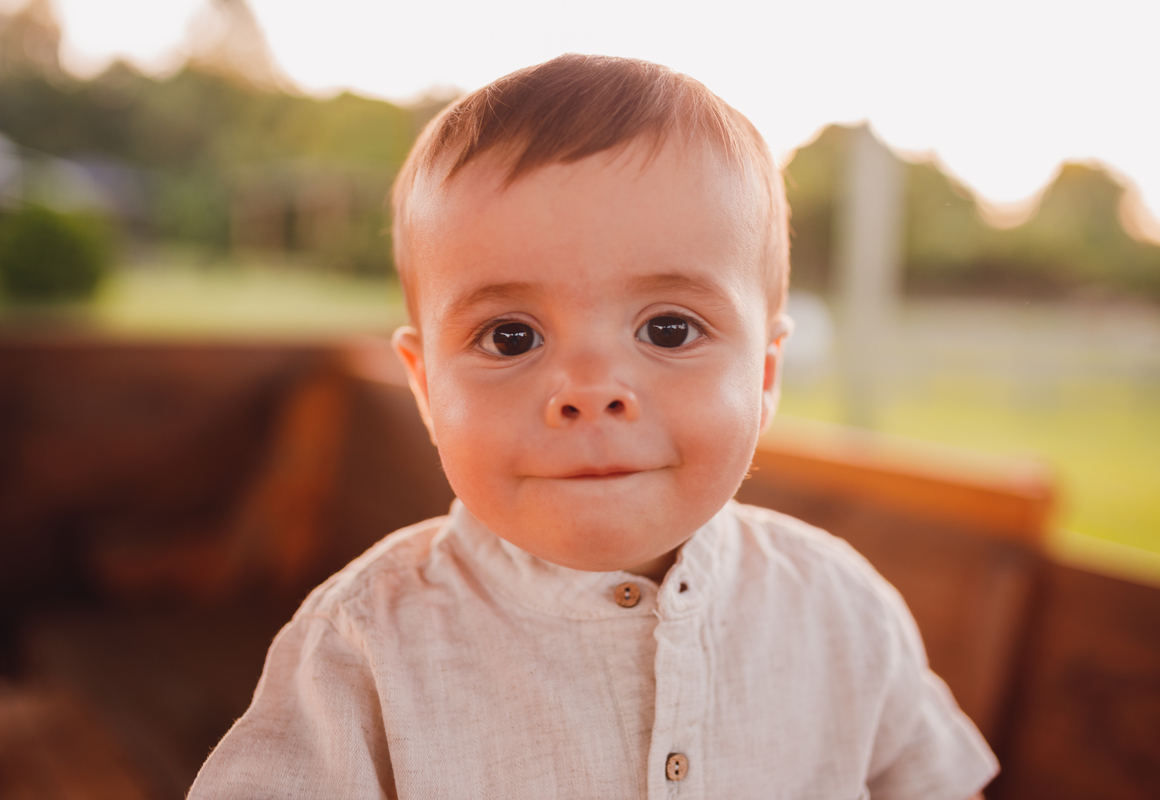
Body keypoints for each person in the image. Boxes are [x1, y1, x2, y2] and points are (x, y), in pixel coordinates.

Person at [188, 54, 998, 799]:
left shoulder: (838, 610)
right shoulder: (362, 649)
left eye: (669, 329)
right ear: (427, 388)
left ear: (763, 375)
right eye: (512, 337)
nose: (589, 392)